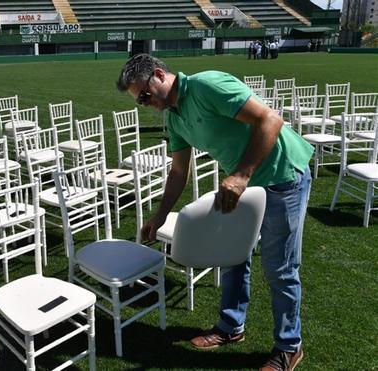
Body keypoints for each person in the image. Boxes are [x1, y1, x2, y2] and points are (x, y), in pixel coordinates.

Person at [116, 54, 313, 371]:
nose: (144, 103)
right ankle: (231, 326)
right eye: (139, 101)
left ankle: (289, 346)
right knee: (232, 256)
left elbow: (271, 120)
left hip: (281, 177)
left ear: (159, 75)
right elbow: (179, 172)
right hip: (243, 187)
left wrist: (241, 175)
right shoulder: (175, 118)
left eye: (144, 95)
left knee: (281, 269)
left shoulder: (206, 85)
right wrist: (161, 215)